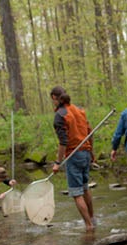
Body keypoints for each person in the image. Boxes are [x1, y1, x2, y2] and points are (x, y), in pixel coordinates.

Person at [50, 86, 95, 231]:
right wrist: (91, 152)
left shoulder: (60, 115)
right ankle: (92, 219)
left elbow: (63, 142)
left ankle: (88, 226)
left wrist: (57, 162)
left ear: (54, 98)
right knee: (85, 188)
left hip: (73, 154)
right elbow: (90, 133)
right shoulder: (79, 110)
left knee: (77, 193)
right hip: (86, 152)